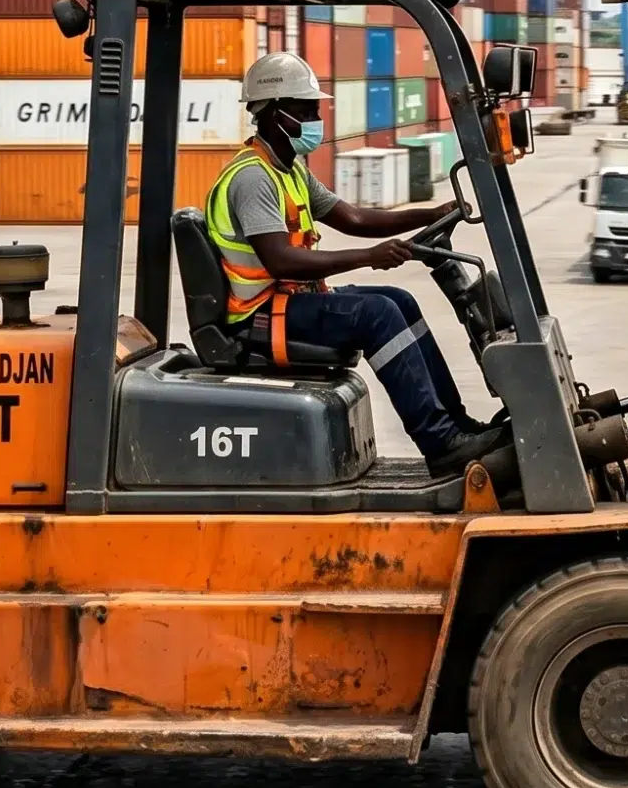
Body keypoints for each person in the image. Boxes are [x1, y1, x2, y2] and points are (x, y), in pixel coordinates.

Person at [206, 53, 510, 476]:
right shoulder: (253, 178)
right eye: (305, 110)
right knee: (377, 314)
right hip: (259, 316)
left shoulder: (289, 170)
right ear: (274, 113)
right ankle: (440, 443)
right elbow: (280, 260)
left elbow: (354, 219)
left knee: (399, 300)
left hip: (289, 302)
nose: (316, 119)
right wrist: (369, 258)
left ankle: (457, 427)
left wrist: (431, 213)